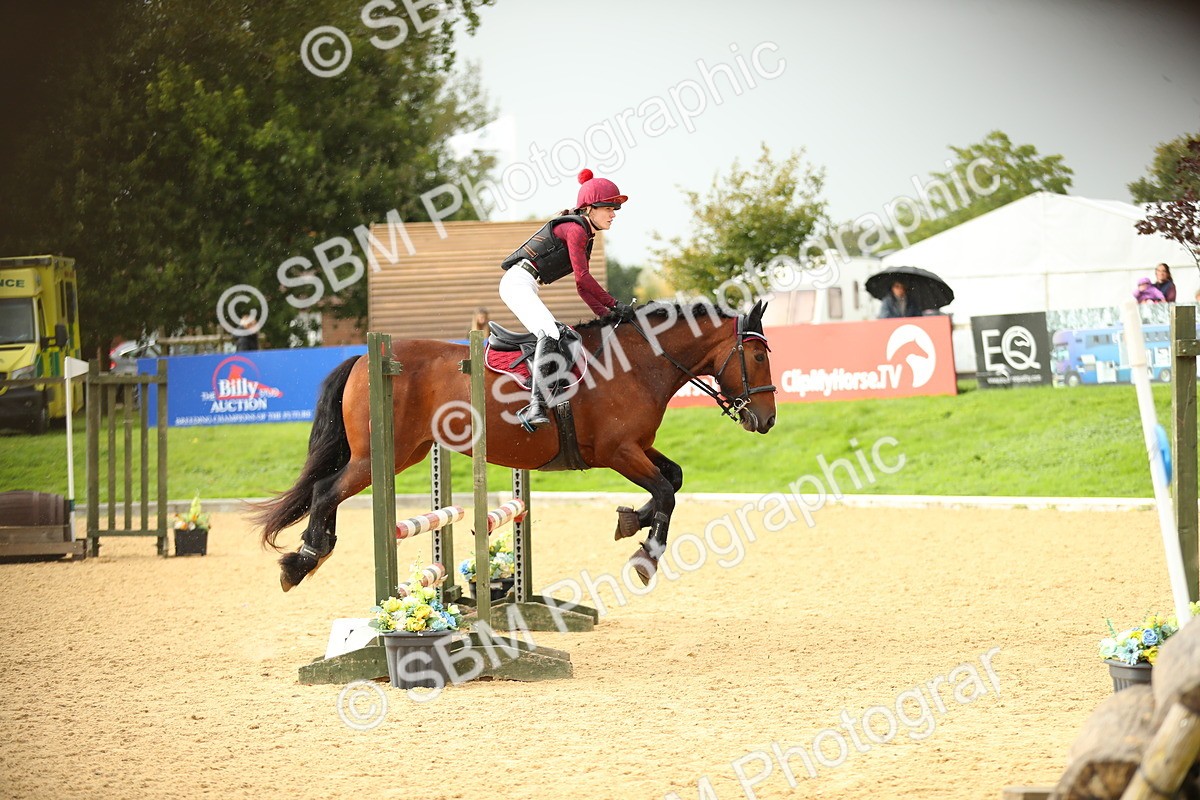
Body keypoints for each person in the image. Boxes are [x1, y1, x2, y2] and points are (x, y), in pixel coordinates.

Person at [498, 168, 631, 428]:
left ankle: (546, 396)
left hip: (527, 284)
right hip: (517, 283)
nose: (613, 215)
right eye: (608, 208)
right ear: (590, 208)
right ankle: (535, 406)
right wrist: (614, 305)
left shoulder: (584, 234)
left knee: (565, 335)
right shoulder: (576, 230)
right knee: (550, 333)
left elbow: (582, 288)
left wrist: (607, 317)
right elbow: (583, 279)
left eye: (615, 210)